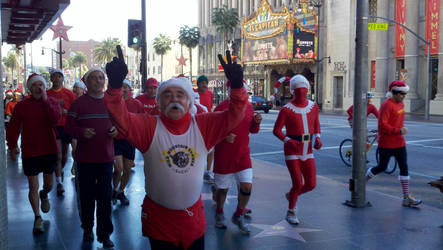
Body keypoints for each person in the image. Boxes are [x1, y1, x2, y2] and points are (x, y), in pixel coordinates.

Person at [104, 48, 247, 250]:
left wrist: (237, 87)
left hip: (193, 222)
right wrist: (116, 86)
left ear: (189, 103)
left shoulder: (204, 126)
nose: (174, 99)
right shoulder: (149, 126)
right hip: (160, 223)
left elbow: (235, 115)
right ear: (159, 104)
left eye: (180, 95)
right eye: (167, 95)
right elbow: (121, 118)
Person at [65, 67, 117, 248]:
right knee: (86, 197)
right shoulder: (77, 104)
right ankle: (87, 227)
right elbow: (68, 129)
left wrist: (116, 131)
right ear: (86, 83)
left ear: (105, 81)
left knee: (105, 197)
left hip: (106, 159)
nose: (98, 81)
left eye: (101, 77)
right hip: (84, 160)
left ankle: (105, 235)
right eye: (93, 78)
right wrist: (80, 132)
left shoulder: (112, 103)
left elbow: (123, 125)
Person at [6, 73, 61, 234]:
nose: (39, 88)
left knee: (49, 185)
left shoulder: (51, 102)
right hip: (30, 150)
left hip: (49, 148)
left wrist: (45, 102)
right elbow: (14, 126)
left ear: (45, 87)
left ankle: (44, 195)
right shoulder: (22, 106)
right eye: (35, 85)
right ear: (30, 88)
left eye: (41, 85)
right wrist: (12, 145)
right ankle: (37, 217)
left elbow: (55, 120)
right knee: (33, 186)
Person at [212, 81, 262, 234]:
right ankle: (219, 212)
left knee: (247, 187)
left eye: (244, 93)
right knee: (223, 190)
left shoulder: (248, 107)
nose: (244, 96)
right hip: (224, 155)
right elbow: (211, 131)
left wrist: (256, 122)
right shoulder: (221, 107)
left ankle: (238, 215)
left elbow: (253, 130)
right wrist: (224, 136)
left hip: (243, 155)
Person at [273, 74, 322, 225]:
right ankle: (291, 210)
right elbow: (277, 130)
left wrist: (318, 137)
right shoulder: (286, 109)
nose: (302, 93)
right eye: (298, 90)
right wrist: (288, 140)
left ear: (307, 90)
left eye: (304, 90)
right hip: (292, 150)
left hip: (308, 150)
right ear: (293, 91)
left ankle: (292, 195)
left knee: (311, 184)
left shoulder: (313, 106)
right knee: (297, 182)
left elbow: (316, 124)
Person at [365, 80, 422, 207]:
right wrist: (399, 130)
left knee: (404, 167)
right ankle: (362, 182)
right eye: (401, 94)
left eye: (405, 94)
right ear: (394, 93)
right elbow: (382, 125)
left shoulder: (401, 105)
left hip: (399, 142)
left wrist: (400, 131)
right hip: (386, 143)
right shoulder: (386, 105)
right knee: (382, 167)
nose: (403, 96)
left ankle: (406, 198)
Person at [112, 79, 144, 206]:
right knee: (118, 168)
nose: (123, 89)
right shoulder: (112, 103)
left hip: (130, 140)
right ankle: (114, 189)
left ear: (130, 89)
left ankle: (120, 191)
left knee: (127, 169)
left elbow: (142, 120)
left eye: (126, 87)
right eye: (121, 87)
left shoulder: (137, 104)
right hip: (115, 140)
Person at [46, 68, 76, 195]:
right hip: (54, 127)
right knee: (58, 156)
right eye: (54, 76)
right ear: (51, 79)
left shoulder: (69, 94)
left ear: (63, 78)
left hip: (67, 126)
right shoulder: (47, 94)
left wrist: (66, 112)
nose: (57, 79)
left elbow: (76, 110)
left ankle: (60, 170)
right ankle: (59, 183)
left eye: (59, 76)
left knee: (64, 156)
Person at [195, 75, 216, 184]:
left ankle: (208, 171)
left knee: (211, 148)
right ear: (198, 84)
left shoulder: (210, 94)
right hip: (196, 124)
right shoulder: (193, 93)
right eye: (202, 82)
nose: (204, 85)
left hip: (207, 123)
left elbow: (210, 108)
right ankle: (196, 172)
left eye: (205, 83)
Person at [71, 80, 87, 176]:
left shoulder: (86, 99)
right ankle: (76, 163)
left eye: (78, 88)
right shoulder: (71, 98)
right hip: (75, 128)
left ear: (82, 89)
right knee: (75, 148)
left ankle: (78, 164)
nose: (76, 89)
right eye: (75, 87)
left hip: (84, 128)